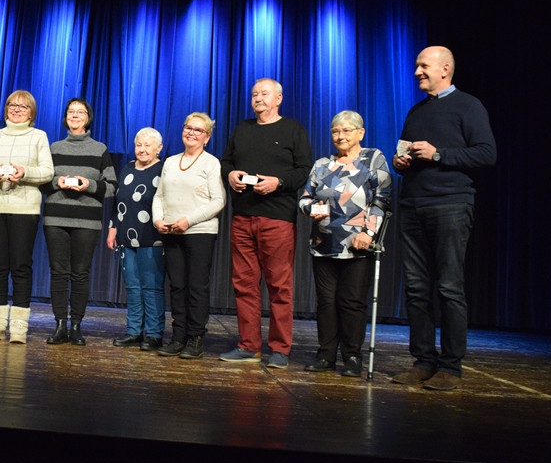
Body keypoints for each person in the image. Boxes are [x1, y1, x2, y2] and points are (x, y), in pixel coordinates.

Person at [391, 46, 496, 391]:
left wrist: (438, 153)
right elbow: (403, 153)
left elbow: (486, 153)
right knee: (417, 289)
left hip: (450, 204)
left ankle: (451, 366)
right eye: (417, 66)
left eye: (424, 66)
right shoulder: (416, 111)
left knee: (449, 287)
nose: (418, 71)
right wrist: (400, 162)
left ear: (445, 68)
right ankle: (423, 361)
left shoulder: (468, 105)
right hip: (413, 204)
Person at [219, 78, 312, 368]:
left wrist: (279, 182)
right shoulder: (242, 129)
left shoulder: (293, 129)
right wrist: (230, 174)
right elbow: (226, 162)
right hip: (242, 217)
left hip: (277, 218)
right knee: (244, 284)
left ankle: (280, 349)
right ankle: (249, 346)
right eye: (254, 94)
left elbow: (303, 171)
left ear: (279, 98)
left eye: (264, 93)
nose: (258, 98)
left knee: (279, 286)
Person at [298, 111, 391, 377]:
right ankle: (325, 354)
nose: (340, 136)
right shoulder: (322, 164)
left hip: (357, 244)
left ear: (360, 133)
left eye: (347, 131)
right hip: (324, 243)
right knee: (326, 303)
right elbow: (305, 198)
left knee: (351, 302)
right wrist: (310, 208)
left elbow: (382, 199)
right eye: (336, 131)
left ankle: (352, 356)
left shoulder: (373, 159)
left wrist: (369, 234)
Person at [0, 90, 53, 344]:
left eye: (23, 106)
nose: (16, 109)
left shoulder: (38, 136)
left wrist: (24, 171)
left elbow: (47, 172)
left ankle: (19, 325)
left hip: (25, 207)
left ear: (32, 112)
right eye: (12, 105)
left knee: (20, 265)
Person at [42, 98, 118, 346]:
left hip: (87, 221)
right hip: (56, 218)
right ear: (65, 117)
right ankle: (60, 324)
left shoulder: (100, 149)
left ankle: (76, 325)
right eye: (71, 112)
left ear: (88, 117)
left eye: (80, 112)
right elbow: (42, 182)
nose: (75, 115)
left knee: (80, 274)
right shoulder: (53, 148)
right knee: (58, 273)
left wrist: (90, 185)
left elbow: (112, 187)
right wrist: (57, 182)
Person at [152, 113, 225, 359]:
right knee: (177, 286)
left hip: (199, 232)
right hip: (172, 231)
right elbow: (159, 196)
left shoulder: (211, 163)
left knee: (196, 286)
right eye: (188, 128)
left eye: (198, 130)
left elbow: (218, 201)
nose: (191, 133)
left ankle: (195, 338)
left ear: (207, 137)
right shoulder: (171, 161)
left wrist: (188, 221)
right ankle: (178, 336)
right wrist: (158, 220)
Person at [107, 127, 166, 351]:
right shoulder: (128, 167)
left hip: (152, 236)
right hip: (125, 236)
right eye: (138, 145)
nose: (141, 149)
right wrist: (113, 228)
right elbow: (118, 201)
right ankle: (133, 332)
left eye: (147, 145)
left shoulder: (164, 169)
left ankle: (153, 333)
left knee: (151, 287)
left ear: (159, 148)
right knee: (132, 286)